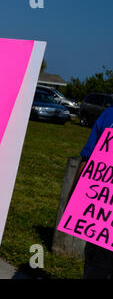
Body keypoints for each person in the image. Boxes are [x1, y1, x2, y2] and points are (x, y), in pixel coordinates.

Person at [71, 107, 113, 279]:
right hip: (101, 218)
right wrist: (75, 201)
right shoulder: (109, 114)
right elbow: (88, 159)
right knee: (96, 270)